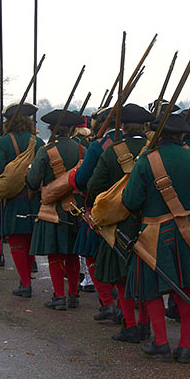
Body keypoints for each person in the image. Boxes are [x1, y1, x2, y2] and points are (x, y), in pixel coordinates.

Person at [121, 112, 190, 363]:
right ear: (182, 134)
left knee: (151, 289)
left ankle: (161, 343)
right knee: (189, 290)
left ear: (157, 134)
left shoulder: (146, 160)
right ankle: (185, 346)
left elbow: (131, 201)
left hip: (153, 233)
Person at [86, 103, 154, 342]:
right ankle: (145, 323)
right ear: (144, 126)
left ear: (122, 126)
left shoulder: (112, 151)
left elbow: (94, 185)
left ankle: (131, 325)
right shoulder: (152, 150)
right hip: (150, 223)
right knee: (145, 277)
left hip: (118, 225)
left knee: (122, 278)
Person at [27, 109, 85, 310]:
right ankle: (73, 294)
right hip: (76, 208)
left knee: (54, 255)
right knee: (72, 255)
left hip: (53, 209)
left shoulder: (46, 150)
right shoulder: (81, 150)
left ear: (51, 128)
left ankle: (59, 296)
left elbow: (33, 181)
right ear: (71, 130)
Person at [0, 103, 42, 297]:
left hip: (13, 197)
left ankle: (25, 283)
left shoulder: (3, 142)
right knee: (29, 237)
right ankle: (25, 279)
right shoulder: (38, 142)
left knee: (17, 240)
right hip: (33, 196)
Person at [71, 106, 119, 320]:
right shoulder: (141, 145)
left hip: (100, 209)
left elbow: (83, 179)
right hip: (131, 211)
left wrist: (72, 179)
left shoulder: (98, 146)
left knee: (92, 254)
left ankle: (107, 302)